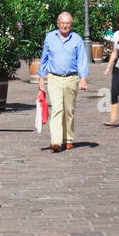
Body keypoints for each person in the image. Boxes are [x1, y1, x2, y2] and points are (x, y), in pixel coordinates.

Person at [38, 11, 89, 152]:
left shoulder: (77, 39)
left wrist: (83, 79)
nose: (65, 26)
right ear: (58, 23)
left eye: (67, 23)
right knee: (57, 108)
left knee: (69, 110)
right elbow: (44, 58)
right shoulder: (50, 37)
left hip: (71, 78)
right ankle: (56, 141)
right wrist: (41, 78)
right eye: (62, 23)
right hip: (54, 78)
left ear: (71, 25)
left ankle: (68, 139)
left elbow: (82, 60)